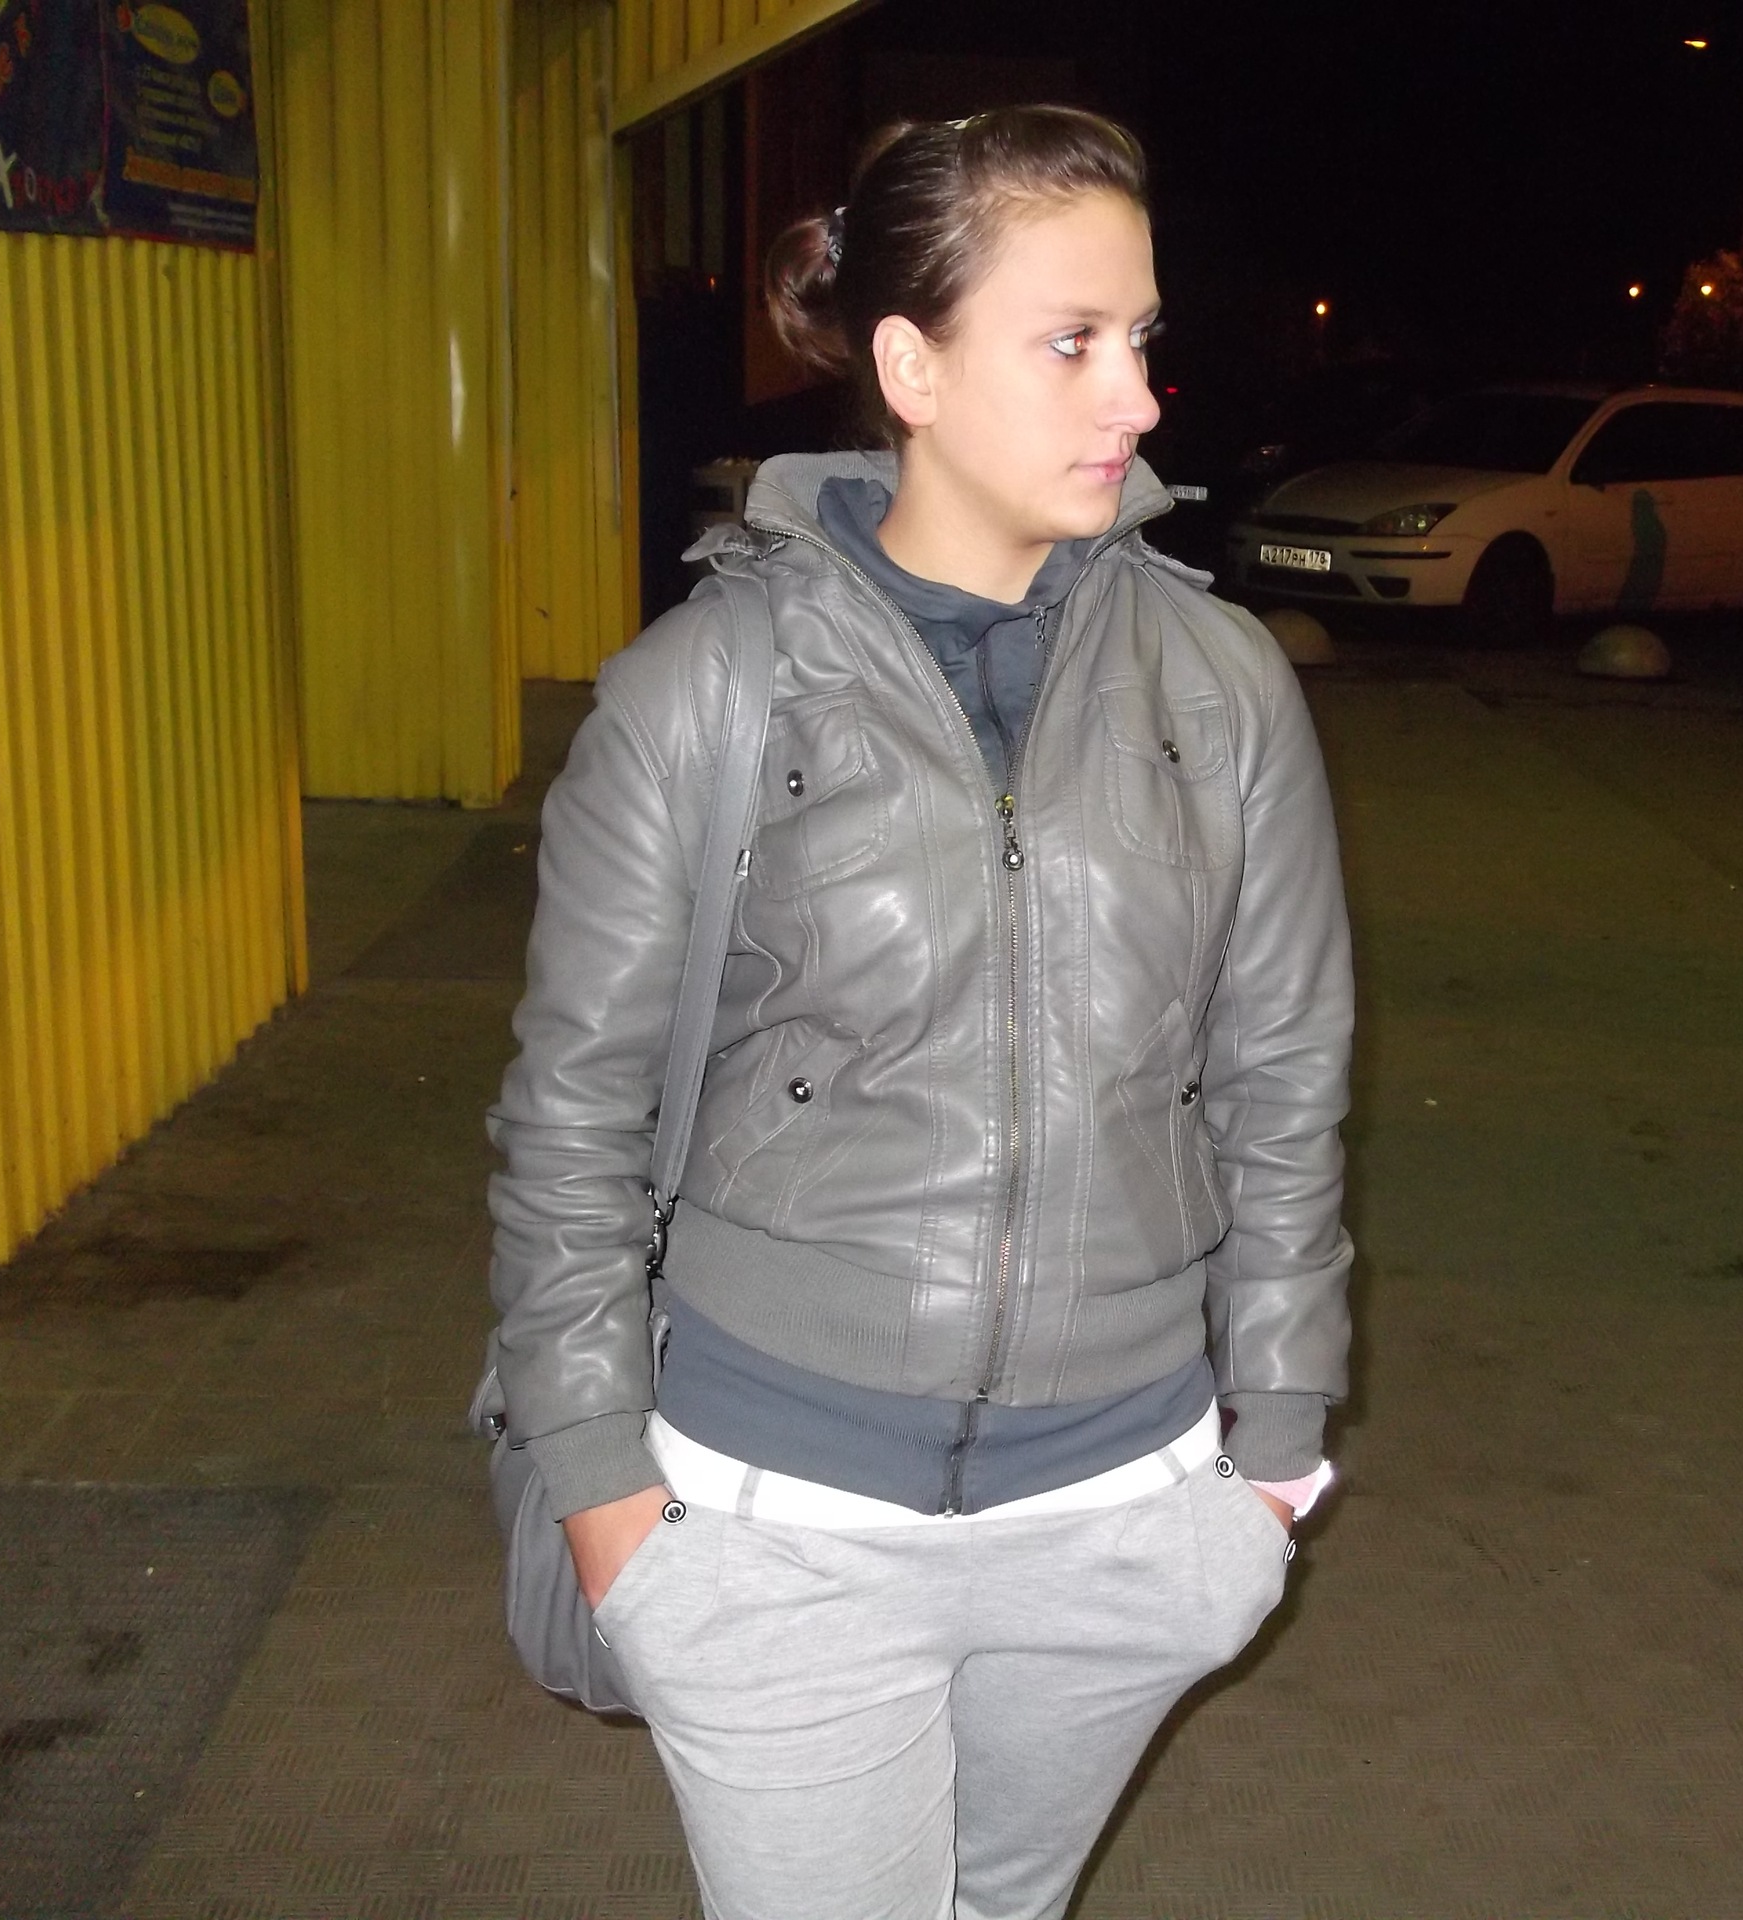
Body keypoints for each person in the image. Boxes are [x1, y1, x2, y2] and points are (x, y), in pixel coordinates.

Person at [485, 106, 1354, 1920]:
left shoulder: (1221, 684)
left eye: (1143, 339)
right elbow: (571, 1122)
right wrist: (604, 1497)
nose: (1138, 398)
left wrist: (1272, 1455)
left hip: (1125, 1511)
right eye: (1072, 342)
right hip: (776, 1515)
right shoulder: (704, 689)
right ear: (911, 367)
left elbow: (1282, 1080)